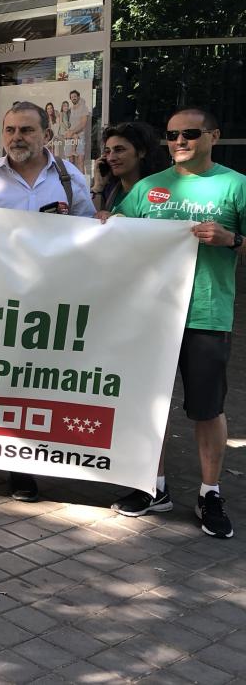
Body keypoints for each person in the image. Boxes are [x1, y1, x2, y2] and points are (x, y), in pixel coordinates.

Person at [110, 108, 245, 539]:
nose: (180, 141)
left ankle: (209, 493)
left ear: (213, 136)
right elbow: (117, 238)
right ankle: (155, 487)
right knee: (150, 404)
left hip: (206, 314)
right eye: (172, 135)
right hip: (152, 316)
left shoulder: (235, 184)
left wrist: (232, 239)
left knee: (207, 409)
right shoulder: (149, 187)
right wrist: (105, 226)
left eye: (190, 133)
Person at [0, 100, 95, 502]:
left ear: (46, 135)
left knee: (28, 384)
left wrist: (103, 224)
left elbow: (90, 236)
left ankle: (22, 470)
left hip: (46, 304)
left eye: (27, 130)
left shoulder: (69, 180)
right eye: (10, 130)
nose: (17, 138)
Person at [91, 121, 168, 219]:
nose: (111, 158)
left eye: (119, 150)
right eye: (107, 152)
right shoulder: (110, 191)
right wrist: (98, 187)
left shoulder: (157, 194)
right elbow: (91, 220)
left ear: (141, 152)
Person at [64, 88, 91, 168]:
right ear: (70, 99)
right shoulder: (70, 110)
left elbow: (83, 124)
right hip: (69, 137)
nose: (73, 98)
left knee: (80, 161)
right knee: (70, 161)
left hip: (80, 137)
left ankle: (81, 180)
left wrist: (72, 132)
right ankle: (72, 180)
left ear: (78, 97)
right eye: (72, 97)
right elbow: (66, 123)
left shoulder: (84, 108)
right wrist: (67, 133)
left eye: (75, 96)